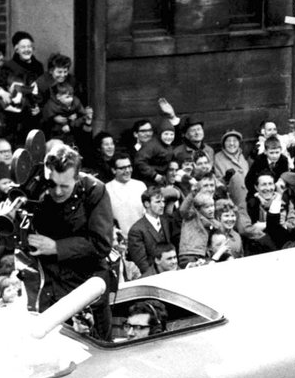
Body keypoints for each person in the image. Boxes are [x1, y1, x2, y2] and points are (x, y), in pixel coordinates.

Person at [22, 143, 115, 338]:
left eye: (65, 186)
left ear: (77, 177)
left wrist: (57, 247)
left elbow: (102, 244)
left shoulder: (94, 191)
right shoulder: (35, 188)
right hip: (48, 286)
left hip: (85, 286)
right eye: (52, 184)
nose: (57, 191)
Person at [127, 187, 178, 275]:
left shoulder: (166, 221)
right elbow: (142, 263)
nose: (162, 205)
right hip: (153, 277)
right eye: (158, 202)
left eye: (163, 201)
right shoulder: (136, 230)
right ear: (147, 204)